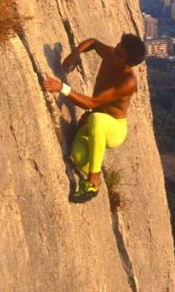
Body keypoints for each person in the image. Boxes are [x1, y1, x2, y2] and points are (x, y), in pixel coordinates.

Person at [40, 33, 146, 199]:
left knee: (96, 118)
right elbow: (94, 42)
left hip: (114, 128)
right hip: (95, 121)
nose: (114, 53)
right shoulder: (111, 55)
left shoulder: (127, 82)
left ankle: (93, 182)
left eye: (120, 55)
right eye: (117, 47)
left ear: (129, 64)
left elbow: (91, 103)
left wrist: (62, 87)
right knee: (78, 156)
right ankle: (95, 167)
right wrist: (75, 54)